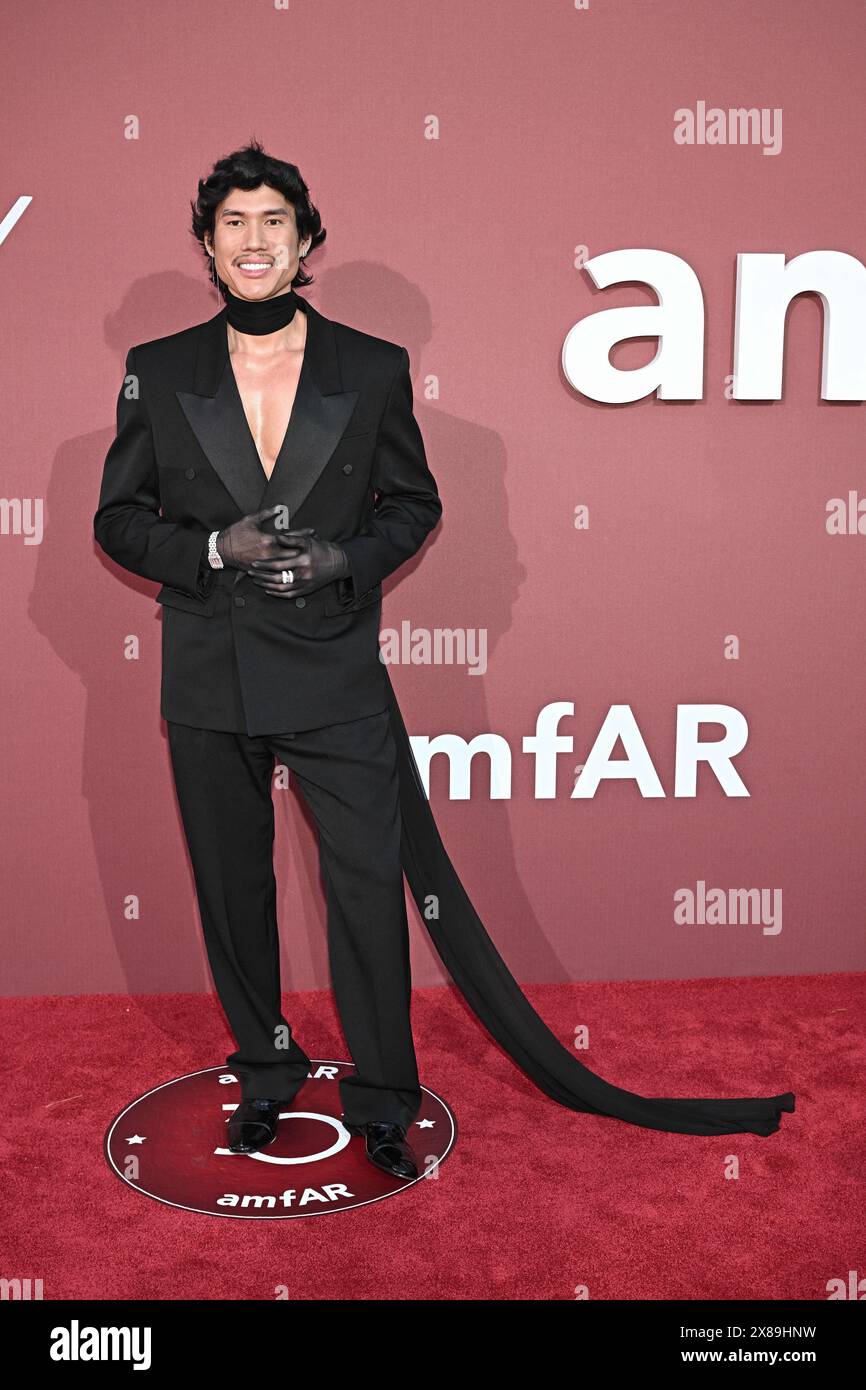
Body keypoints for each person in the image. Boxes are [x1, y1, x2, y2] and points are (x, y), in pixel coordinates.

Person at [94, 141, 795, 1182]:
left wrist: (342, 559)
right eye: (233, 223)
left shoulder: (369, 367)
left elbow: (412, 504)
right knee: (231, 891)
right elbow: (116, 519)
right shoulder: (157, 369)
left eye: (273, 222)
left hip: (331, 668)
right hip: (208, 673)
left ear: (304, 240)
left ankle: (382, 1095)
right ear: (207, 243)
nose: (253, 240)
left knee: (368, 890)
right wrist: (210, 550)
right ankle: (264, 1070)